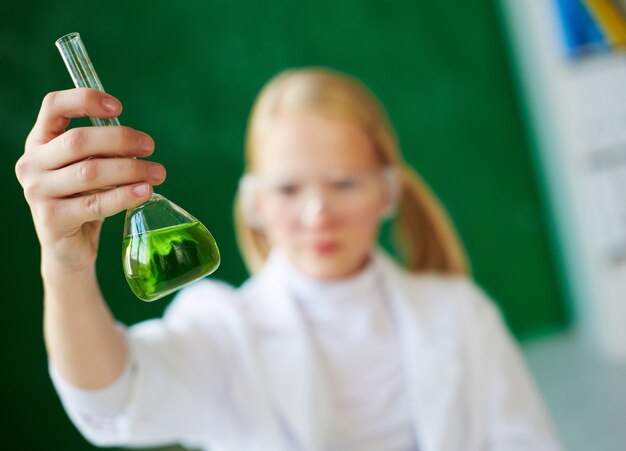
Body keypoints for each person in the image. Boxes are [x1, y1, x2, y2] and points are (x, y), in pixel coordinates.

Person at [15, 67, 563, 451]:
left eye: (345, 183)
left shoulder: (460, 313)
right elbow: (111, 404)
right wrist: (63, 267)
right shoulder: (225, 328)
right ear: (254, 205)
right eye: (288, 190)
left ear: (388, 194)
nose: (317, 214)